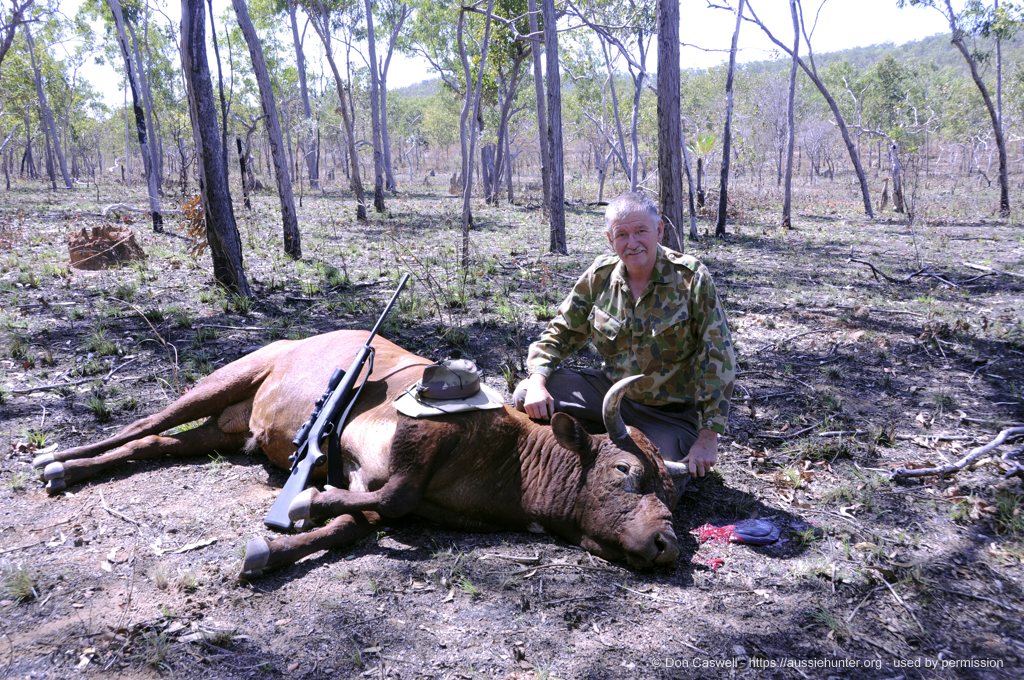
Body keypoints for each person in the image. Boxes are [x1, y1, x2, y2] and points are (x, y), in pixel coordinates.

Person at [513, 191, 736, 479]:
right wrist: (538, 380)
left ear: (659, 230)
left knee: (656, 475)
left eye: (641, 231)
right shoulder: (600, 276)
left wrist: (708, 437)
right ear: (610, 239)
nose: (632, 243)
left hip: (668, 413)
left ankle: (616, 448)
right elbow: (561, 331)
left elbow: (717, 358)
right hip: (609, 395)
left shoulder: (691, 278)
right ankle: (606, 444)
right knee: (524, 396)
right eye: (622, 235)